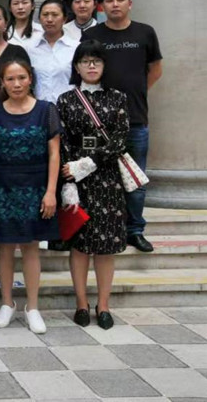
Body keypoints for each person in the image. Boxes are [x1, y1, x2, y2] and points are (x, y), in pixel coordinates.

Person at [83, 0, 162, 253]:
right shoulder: (92, 35)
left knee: (135, 179)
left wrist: (136, 94)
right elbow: (85, 70)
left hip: (135, 119)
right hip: (98, 122)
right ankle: (103, 226)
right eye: (109, 0)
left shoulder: (145, 32)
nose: (115, 4)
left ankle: (134, 230)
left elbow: (155, 69)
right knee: (98, 177)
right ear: (101, 6)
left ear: (130, 3)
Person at [57, 40, 130, 330]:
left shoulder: (118, 98)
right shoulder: (66, 100)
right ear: (76, 67)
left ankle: (103, 305)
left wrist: (90, 163)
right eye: (85, 61)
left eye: (96, 61)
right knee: (80, 245)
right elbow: (62, 141)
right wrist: (68, 177)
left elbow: (120, 139)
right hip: (76, 180)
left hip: (107, 179)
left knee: (105, 247)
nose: (91, 66)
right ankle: (81, 304)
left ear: (104, 66)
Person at [0, 59, 60, 334]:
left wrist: (51, 192)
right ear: (2, 83)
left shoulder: (46, 110)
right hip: (2, 186)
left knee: (31, 246)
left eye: (21, 78)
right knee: (4, 246)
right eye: (10, 79)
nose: (16, 84)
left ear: (30, 79)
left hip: (36, 185)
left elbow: (55, 153)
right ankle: (7, 303)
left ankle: (33, 307)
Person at [27, 0, 78, 104]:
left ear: (64, 19)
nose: (49, 19)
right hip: (39, 108)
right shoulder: (30, 48)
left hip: (68, 107)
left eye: (55, 15)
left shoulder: (75, 48)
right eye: (45, 15)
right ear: (39, 19)